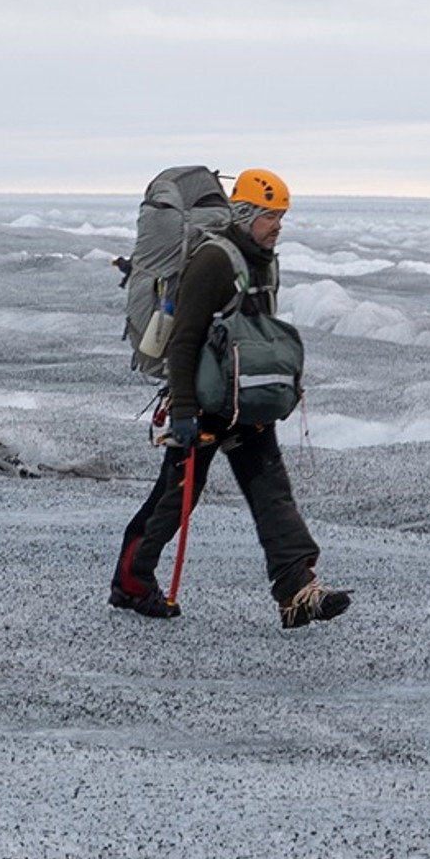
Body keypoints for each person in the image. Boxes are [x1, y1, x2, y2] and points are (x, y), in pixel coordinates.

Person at [109, 168, 351, 630]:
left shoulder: (264, 261)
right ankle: (132, 582)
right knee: (174, 498)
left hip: (245, 401)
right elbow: (184, 341)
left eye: (281, 217)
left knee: (272, 493)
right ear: (245, 213)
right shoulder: (214, 262)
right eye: (270, 217)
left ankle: (296, 590)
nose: (278, 225)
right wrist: (181, 410)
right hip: (202, 401)